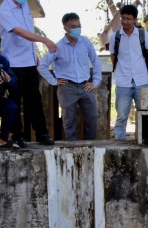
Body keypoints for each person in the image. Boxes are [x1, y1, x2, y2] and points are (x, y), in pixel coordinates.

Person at [0, 0, 58, 147]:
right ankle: (16, 136)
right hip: (14, 63)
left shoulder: (25, 6)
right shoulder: (5, 9)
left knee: (34, 99)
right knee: (15, 101)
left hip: (29, 62)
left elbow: (29, 30)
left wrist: (34, 53)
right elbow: (19, 31)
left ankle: (41, 134)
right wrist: (44, 40)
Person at [37, 13, 102, 141]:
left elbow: (96, 62)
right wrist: (54, 81)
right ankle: (72, 149)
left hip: (85, 86)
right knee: (69, 122)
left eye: (79, 26)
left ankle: (91, 147)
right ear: (65, 28)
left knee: (92, 118)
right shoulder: (58, 46)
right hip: (67, 87)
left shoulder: (86, 43)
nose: (77, 29)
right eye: (73, 26)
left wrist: (95, 81)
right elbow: (41, 65)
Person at [109, 5, 148, 139]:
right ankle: (119, 145)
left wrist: (146, 73)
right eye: (122, 18)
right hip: (123, 83)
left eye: (128, 19)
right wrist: (120, 72)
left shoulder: (142, 34)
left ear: (135, 19)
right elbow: (113, 57)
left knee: (144, 115)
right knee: (121, 116)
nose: (125, 21)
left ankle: (143, 142)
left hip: (141, 81)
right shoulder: (115, 37)